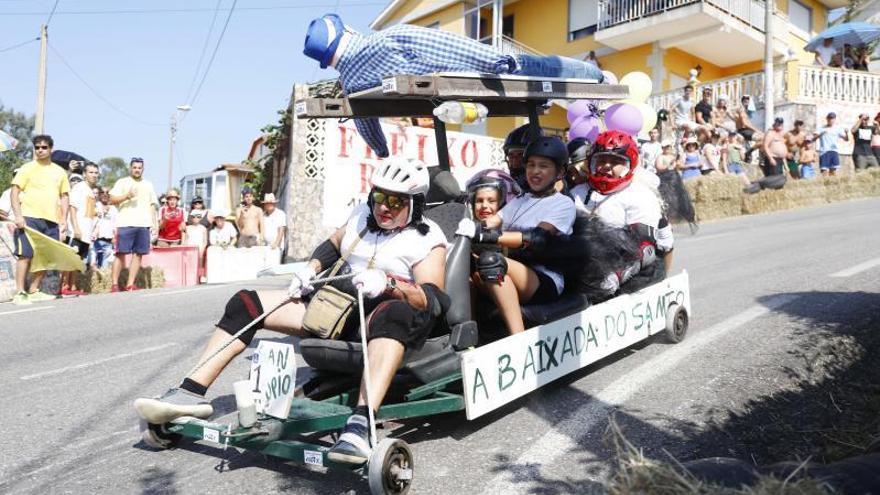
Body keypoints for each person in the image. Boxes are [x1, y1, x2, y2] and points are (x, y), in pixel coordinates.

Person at [134, 157, 449, 466]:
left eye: (395, 201)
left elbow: (433, 300)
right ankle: (190, 394)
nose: (383, 207)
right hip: (339, 308)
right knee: (246, 303)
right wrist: (310, 269)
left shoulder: (427, 237)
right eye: (379, 196)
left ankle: (360, 424)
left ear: (415, 203)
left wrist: (389, 284)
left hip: (388, 319)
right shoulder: (361, 214)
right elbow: (333, 245)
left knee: (394, 314)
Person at [302, 13, 606, 157]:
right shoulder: (387, 39)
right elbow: (448, 46)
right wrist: (496, 60)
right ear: (347, 31)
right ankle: (595, 75)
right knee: (542, 66)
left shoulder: (350, 84)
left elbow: (366, 124)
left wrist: (381, 151)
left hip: (446, 100)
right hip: (476, 78)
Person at [459, 136, 575, 335]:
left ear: (560, 171)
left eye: (543, 166)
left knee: (491, 261)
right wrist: (467, 227)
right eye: (530, 165)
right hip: (513, 269)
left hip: (545, 278)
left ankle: (518, 339)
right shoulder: (521, 200)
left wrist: (483, 235)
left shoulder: (563, 204)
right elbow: (490, 222)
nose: (535, 171)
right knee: (466, 263)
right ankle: (468, 335)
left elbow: (538, 239)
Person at [572, 131, 666, 298]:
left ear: (629, 165)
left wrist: (616, 276)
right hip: (578, 261)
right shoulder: (576, 193)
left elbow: (645, 250)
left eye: (616, 161)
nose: (607, 166)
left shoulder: (640, 195)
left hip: (621, 267)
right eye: (601, 160)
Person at [9, 136, 70, 305]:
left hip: (51, 220)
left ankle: (34, 290)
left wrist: (63, 220)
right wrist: (18, 216)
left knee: (47, 258)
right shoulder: (27, 168)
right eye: (37, 147)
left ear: (51, 149)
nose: (40, 150)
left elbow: (64, 196)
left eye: (44, 147)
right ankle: (20, 292)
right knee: (25, 255)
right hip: (29, 218)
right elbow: (15, 192)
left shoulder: (59, 172)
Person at [108, 157, 159, 292]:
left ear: (143, 169)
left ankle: (130, 284)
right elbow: (111, 199)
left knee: (138, 254)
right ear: (130, 168)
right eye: (134, 167)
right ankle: (114, 284)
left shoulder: (148, 184)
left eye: (139, 168)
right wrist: (127, 196)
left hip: (143, 224)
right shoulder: (122, 182)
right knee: (120, 253)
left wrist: (155, 224)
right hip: (126, 223)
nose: (137, 170)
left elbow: (152, 205)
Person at [62, 162, 99, 295]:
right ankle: (65, 285)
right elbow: (72, 208)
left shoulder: (90, 190)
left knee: (78, 260)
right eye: (91, 172)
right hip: (76, 231)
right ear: (84, 174)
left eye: (95, 172)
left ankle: (73, 286)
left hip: (86, 232)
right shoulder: (79, 187)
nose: (94, 175)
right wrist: (76, 228)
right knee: (70, 258)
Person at [503, 123, 542, 188]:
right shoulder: (507, 184)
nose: (515, 160)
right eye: (511, 155)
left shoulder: (548, 186)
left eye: (520, 155)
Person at [89, 188, 117, 269]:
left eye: (107, 192)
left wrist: (115, 237)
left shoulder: (114, 209)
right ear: (99, 194)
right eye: (102, 192)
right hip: (95, 241)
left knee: (103, 268)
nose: (105, 194)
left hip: (108, 242)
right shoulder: (94, 205)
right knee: (92, 267)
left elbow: (116, 225)